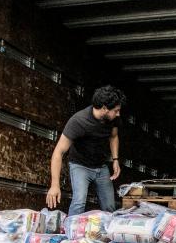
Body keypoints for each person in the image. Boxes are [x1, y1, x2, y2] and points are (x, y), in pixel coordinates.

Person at [46, 85, 125, 216]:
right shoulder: (78, 121)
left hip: (101, 167)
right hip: (80, 166)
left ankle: (108, 235)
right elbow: (58, 152)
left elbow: (114, 136)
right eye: (116, 110)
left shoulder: (113, 119)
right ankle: (71, 234)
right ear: (105, 108)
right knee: (79, 202)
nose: (118, 114)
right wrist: (55, 185)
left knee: (110, 206)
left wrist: (115, 159)